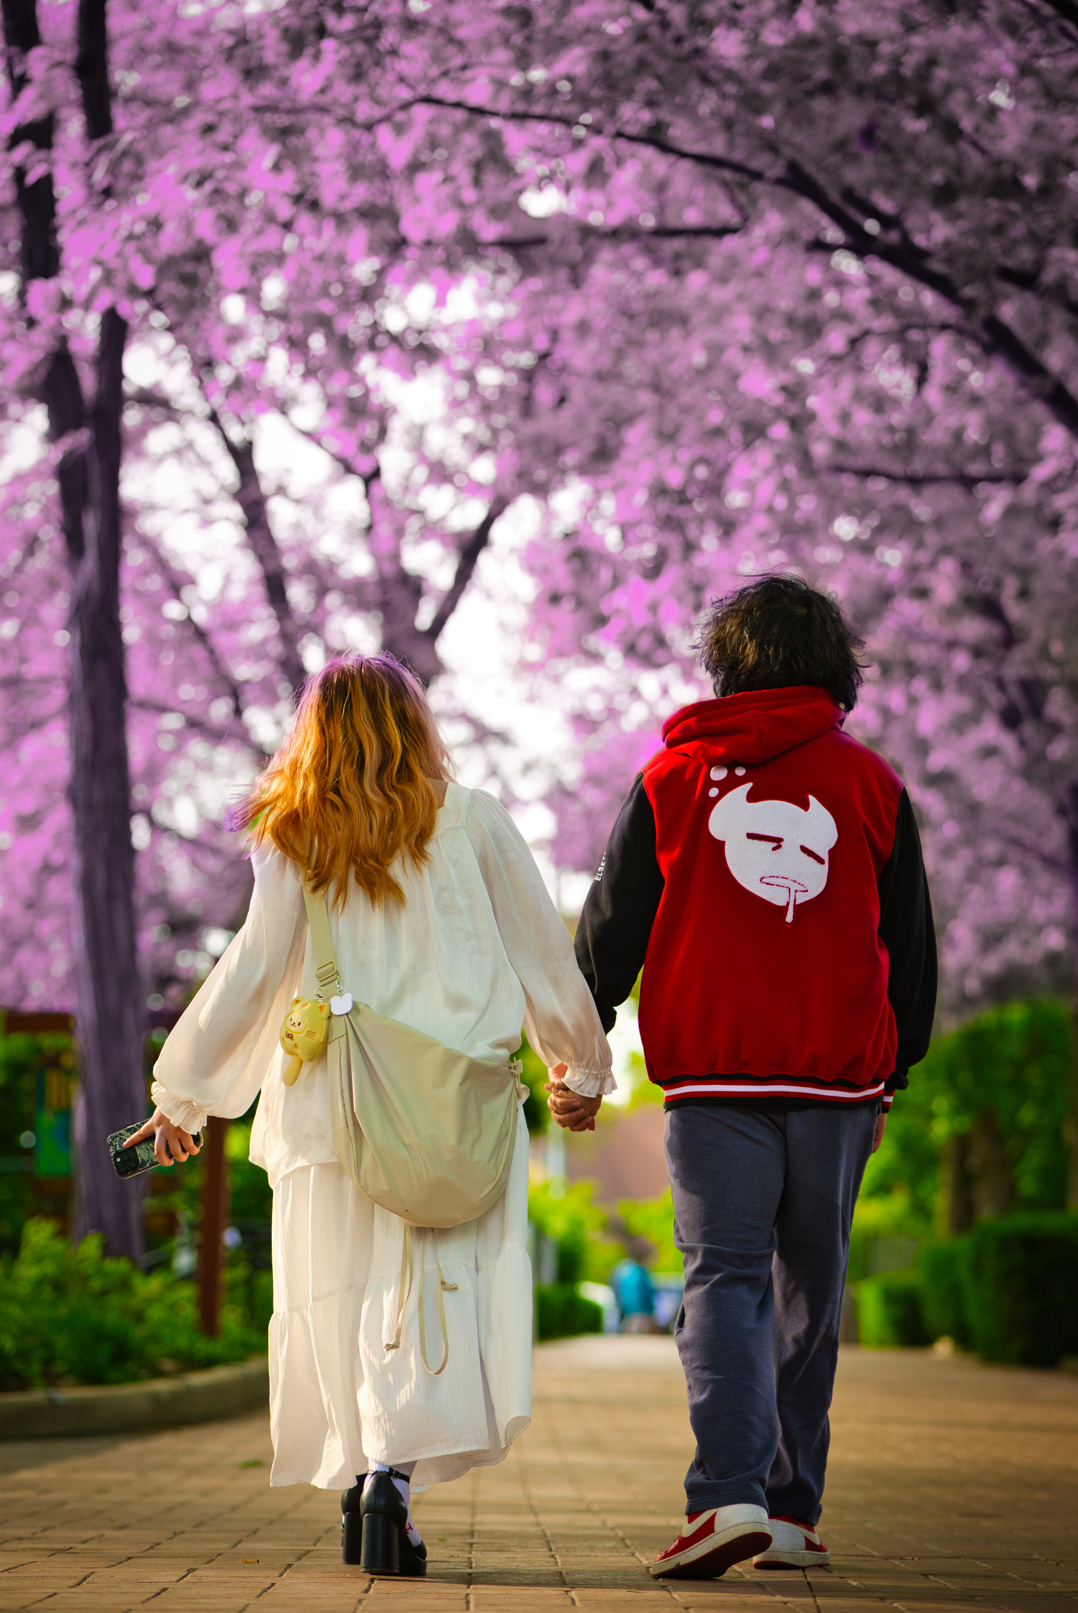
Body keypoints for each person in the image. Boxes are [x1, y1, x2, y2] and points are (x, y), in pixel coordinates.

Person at [127, 653, 613, 1577]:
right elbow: (544, 955)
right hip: (448, 1105)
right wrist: (579, 1065)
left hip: (327, 1100)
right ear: (414, 725)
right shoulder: (472, 821)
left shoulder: (293, 833)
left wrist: (183, 1096)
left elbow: (253, 972)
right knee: (424, 1294)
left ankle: (361, 1479)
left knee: (340, 1292)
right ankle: (392, 1476)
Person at [550, 577, 936, 1580]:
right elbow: (910, 946)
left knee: (723, 1276)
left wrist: (578, 1053)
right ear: (833, 668)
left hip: (712, 1077)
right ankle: (792, 1509)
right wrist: (891, 1070)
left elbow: (608, 932)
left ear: (726, 665)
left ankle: (726, 1494)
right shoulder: (871, 783)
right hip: (837, 1082)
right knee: (811, 1285)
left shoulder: (671, 776)